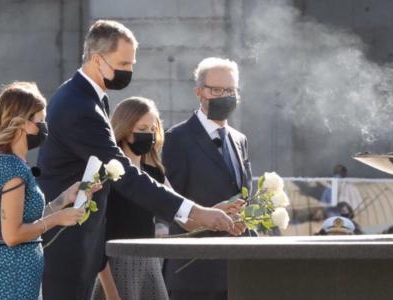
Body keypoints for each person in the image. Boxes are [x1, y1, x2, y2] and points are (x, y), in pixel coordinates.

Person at [36, 20, 235, 299]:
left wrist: (201, 214)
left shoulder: (89, 97)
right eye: (124, 63)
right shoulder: (79, 106)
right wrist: (197, 212)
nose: (130, 71)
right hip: (67, 245)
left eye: (132, 63)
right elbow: (125, 175)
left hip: (80, 244)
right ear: (97, 60)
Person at [0, 82, 93, 299]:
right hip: (11, 280)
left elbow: (26, 220)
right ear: (22, 124)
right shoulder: (13, 168)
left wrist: (62, 200)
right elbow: (12, 235)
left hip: (18, 277)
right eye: (40, 120)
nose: (44, 126)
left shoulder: (14, 164)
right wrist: (57, 218)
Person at [162, 57, 252, 300]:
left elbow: (245, 194)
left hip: (236, 271)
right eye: (217, 89)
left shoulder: (239, 139)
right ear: (199, 92)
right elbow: (168, 204)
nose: (225, 95)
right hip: (194, 272)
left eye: (231, 90)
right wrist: (207, 216)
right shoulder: (177, 139)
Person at [91, 97, 171, 300]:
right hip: (114, 265)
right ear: (125, 129)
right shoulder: (105, 173)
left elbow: (182, 210)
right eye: (143, 128)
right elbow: (96, 236)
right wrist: (110, 291)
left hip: (149, 263)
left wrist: (219, 211)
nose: (150, 135)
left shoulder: (155, 172)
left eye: (153, 129)